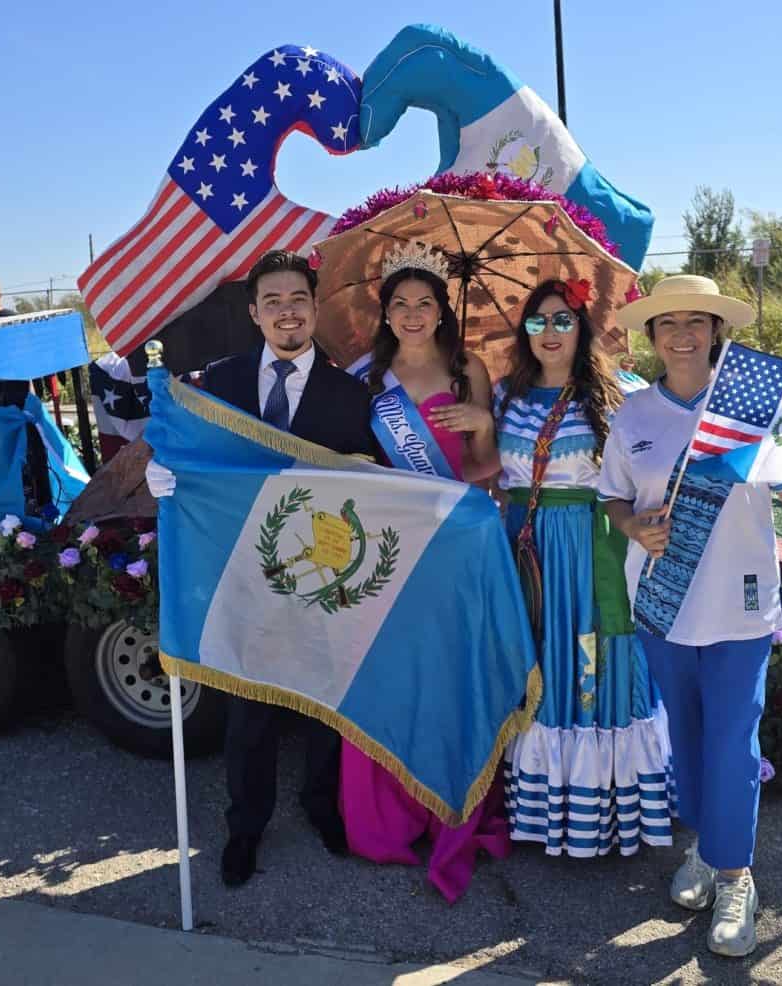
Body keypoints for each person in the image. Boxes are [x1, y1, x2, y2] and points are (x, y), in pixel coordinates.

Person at [598, 275, 782, 958]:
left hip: (739, 603)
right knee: (686, 736)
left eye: (696, 322)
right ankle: (704, 845)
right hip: (661, 602)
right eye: (669, 324)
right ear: (652, 336)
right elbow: (613, 497)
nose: (683, 335)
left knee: (732, 740)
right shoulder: (633, 415)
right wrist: (634, 527)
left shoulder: (752, 407)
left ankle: (734, 877)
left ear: (716, 331)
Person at [147, 250, 377, 888]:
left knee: (326, 702)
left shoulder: (351, 395)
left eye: (298, 299)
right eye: (272, 301)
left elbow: (372, 487)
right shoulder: (219, 383)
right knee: (249, 709)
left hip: (324, 573)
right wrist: (165, 469)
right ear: (254, 313)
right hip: (243, 570)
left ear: (315, 307)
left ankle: (321, 804)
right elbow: (188, 448)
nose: (287, 312)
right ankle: (246, 825)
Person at [338, 241, 507, 903]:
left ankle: (448, 807)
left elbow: (485, 469)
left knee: (449, 679)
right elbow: (348, 466)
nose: (413, 314)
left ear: (442, 311)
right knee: (387, 679)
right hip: (387, 552)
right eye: (401, 304)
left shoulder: (469, 370)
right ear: (386, 313)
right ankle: (385, 818)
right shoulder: (364, 379)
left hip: (455, 550)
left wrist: (482, 424)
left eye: (425, 303)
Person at [495, 279, 674, 861]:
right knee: (542, 659)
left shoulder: (622, 394)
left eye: (562, 320)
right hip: (528, 549)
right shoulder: (504, 397)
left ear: (582, 328)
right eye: (537, 321)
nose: (549, 332)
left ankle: (612, 811)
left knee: (601, 656)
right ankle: (545, 808)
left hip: (595, 547)